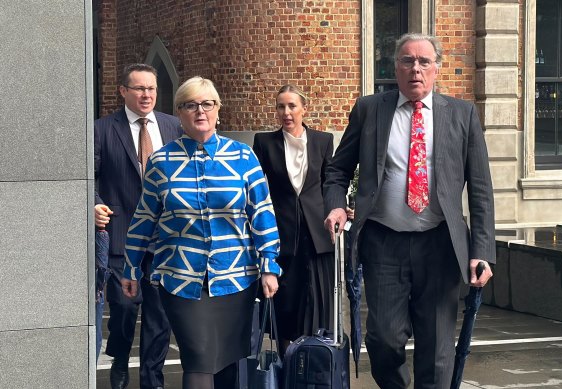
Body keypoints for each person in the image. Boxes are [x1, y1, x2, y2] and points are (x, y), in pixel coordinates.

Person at [323, 33, 496, 388]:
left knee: (437, 349)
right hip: (384, 244)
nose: (415, 69)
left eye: (424, 62)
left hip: (440, 246)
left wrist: (482, 252)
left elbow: (480, 190)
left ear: (436, 68)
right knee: (384, 339)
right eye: (407, 61)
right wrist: (337, 205)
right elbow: (337, 170)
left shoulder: (462, 115)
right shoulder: (370, 109)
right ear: (395, 67)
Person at [121, 76, 281, 389]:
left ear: (218, 110)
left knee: (228, 364)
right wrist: (130, 266)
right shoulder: (161, 162)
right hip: (180, 279)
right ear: (179, 113)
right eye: (190, 105)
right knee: (198, 359)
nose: (200, 111)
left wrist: (269, 266)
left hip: (236, 277)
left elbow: (262, 214)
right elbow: (144, 218)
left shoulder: (243, 158)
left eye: (207, 104)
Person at [94, 63, 182, 389]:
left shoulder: (174, 127)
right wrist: (93, 203)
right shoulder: (103, 129)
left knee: (159, 319)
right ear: (123, 92)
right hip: (121, 237)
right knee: (124, 310)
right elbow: (88, 176)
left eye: (152, 89)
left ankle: (151, 380)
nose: (146, 95)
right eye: (139, 88)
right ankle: (119, 358)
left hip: (165, 240)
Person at [253, 84, 335, 355]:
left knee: (315, 299)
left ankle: (315, 358)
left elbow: (330, 184)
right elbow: (255, 188)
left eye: (291, 106)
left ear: (303, 109)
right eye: (280, 106)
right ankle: (288, 362)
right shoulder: (265, 142)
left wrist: (341, 208)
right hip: (281, 233)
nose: (286, 112)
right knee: (286, 301)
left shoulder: (323, 141)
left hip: (317, 233)